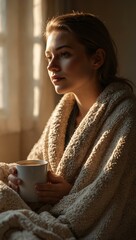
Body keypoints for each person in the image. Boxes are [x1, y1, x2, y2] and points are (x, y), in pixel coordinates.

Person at [1, 12, 136, 239]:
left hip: (85, 220)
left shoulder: (125, 116)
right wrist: (17, 178)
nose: (52, 66)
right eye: (48, 57)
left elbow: (110, 192)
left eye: (63, 54)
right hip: (48, 211)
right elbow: (37, 162)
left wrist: (68, 194)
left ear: (97, 59)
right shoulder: (63, 114)